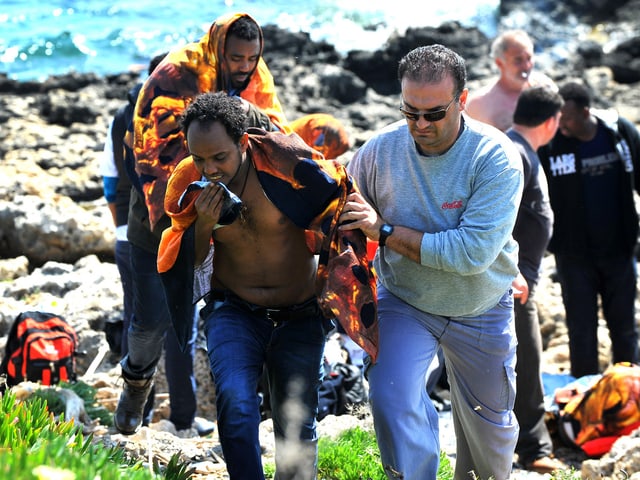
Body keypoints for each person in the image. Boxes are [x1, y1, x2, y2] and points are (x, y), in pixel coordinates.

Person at [156, 92, 377, 479]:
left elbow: (338, 194)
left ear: (243, 142)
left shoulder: (286, 166)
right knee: (237, 405)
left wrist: (361, 220)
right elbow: (183, 264)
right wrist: (205, 223)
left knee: (296, 426)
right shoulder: (189, 184)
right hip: (234, 311)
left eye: (219, 157)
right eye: (199, 157)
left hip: (300, 315)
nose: (210, 168)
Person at [341, 44, 523, 480]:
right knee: (390, 397)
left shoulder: (495, 157)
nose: (420, 124)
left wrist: (383, 231)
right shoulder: (380, 151)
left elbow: (470, 254)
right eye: (410, 111)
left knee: (490, 445)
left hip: (481, 307)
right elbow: (340, 207)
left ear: (462, 101)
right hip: (406, 300)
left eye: (434, 113)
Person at [115, 12, 292, 436]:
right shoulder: (176, 74)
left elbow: (278, 134)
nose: (244, 66)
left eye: (252, 58)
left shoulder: (254, 78)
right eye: (236, 57)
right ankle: (136, 381)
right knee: (152, 322)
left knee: (237, 310)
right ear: (217, 48)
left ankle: (263, 410)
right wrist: (192, 203)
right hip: (159, 219)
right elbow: (151, 155)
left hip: (229, 216)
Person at [538, 81, 640, 378]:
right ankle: (585, 398)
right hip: (573, 257)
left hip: (619, 251)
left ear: (585, 112)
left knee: (624, 330)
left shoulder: (617, 133)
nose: (561, 125)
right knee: (581, 333)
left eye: (567, 118)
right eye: (558, 118)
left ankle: (628, 400)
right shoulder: (551, 144)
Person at [505, 86, 566, 473]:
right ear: (551, 121)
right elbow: (495, 218)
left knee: (521, 361)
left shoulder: (522, 149)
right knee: (526, 361)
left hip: (519, 281)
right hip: (512, 285)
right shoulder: (515, 153)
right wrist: (512, 271)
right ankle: (532, 448)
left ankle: (524, 442)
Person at [465, 29, 556, 132]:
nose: (526, 66)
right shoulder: (479, 104)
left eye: (529, 58)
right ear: (499, 63)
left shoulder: (546, 87)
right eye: (518, 60)